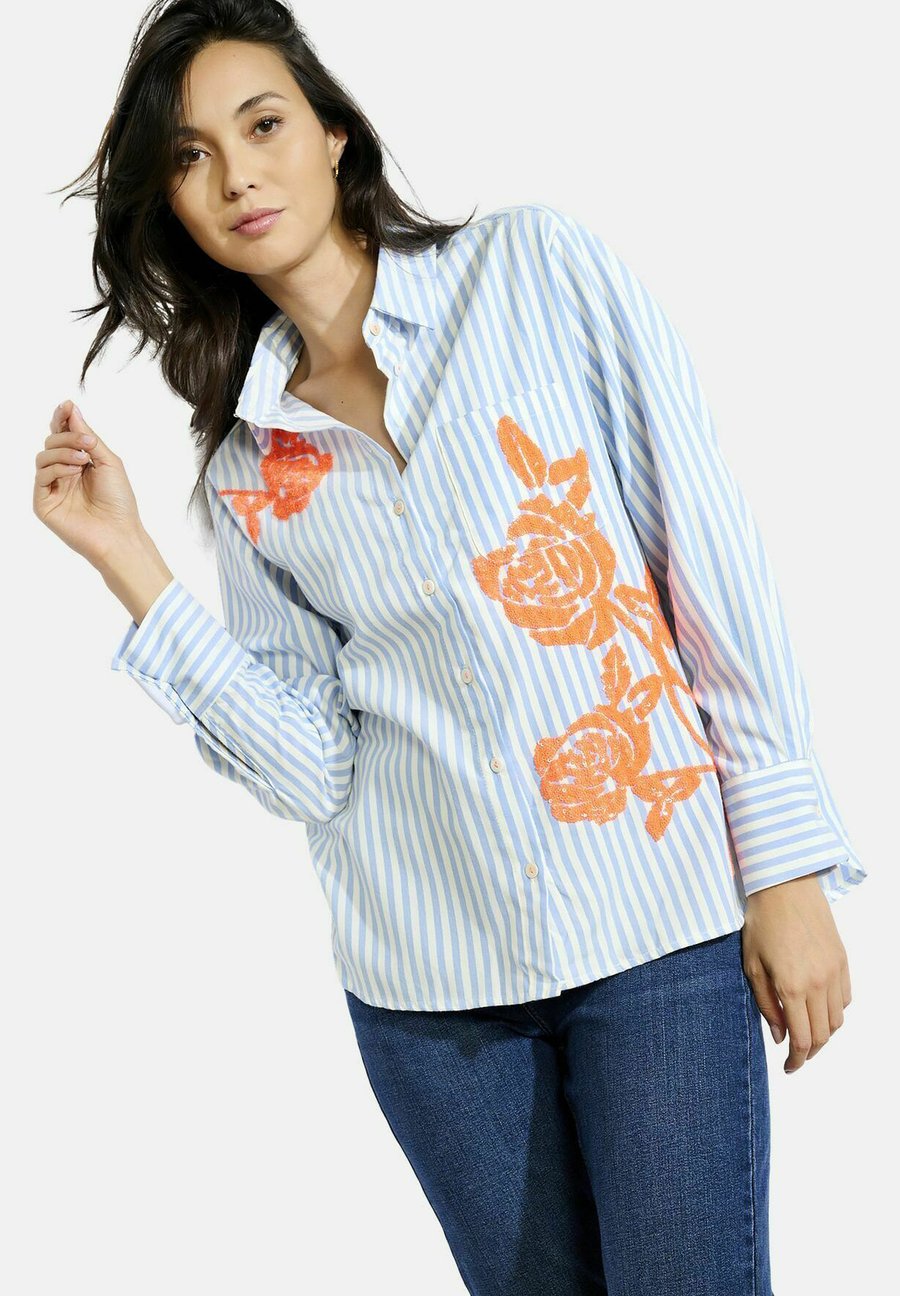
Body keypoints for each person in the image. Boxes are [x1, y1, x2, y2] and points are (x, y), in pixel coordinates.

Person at [34, 2, 866, 1292]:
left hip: (659, 927)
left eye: (263, 124)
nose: (239, 174)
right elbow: (312, 769)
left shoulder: (534, 270)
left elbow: (703, 555)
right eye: (192, 157)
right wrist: (131, 565)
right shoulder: (251, 462)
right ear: (175, 207)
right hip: (432, 1001)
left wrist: (787, 865)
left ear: (333, 134)